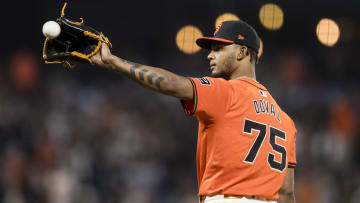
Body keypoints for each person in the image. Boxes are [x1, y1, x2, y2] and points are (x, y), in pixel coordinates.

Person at [91, 20, 296, 203]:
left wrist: (115, 63)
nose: (210, 54)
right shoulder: (286, 120)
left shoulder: (226, 92)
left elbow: (171, 84)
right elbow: (286, 192)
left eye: (218, 48)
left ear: (242, 52)